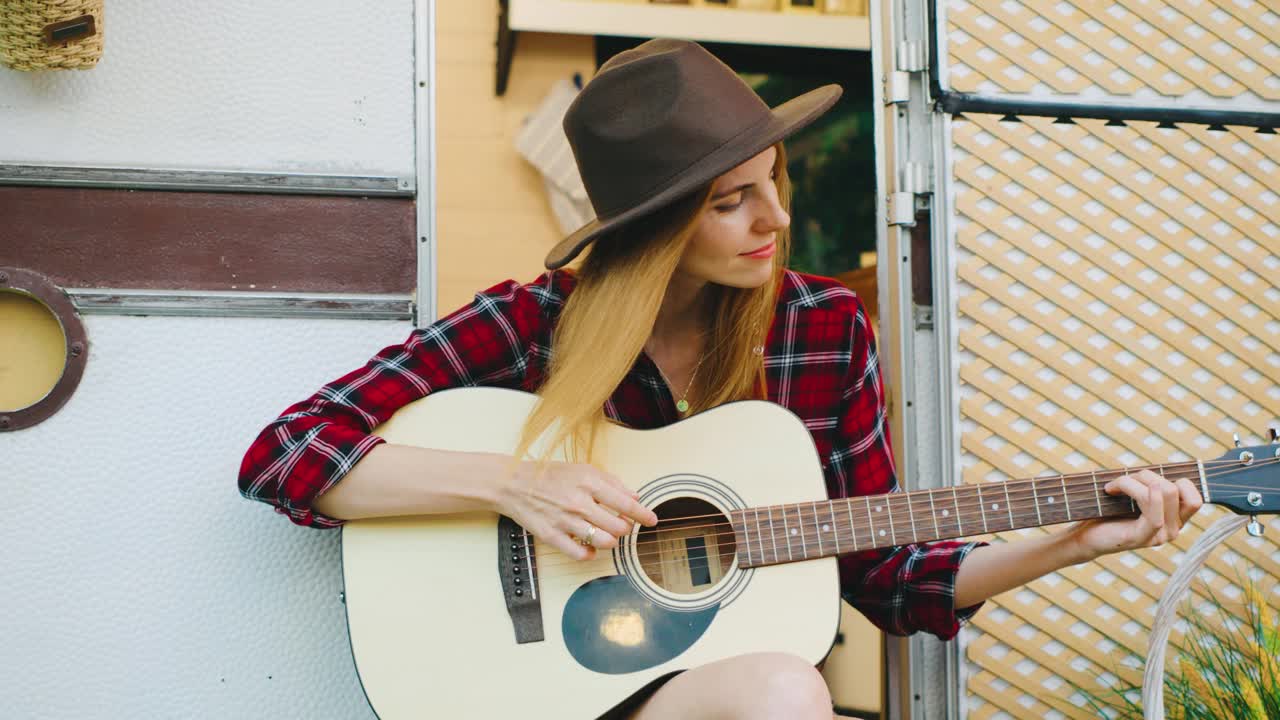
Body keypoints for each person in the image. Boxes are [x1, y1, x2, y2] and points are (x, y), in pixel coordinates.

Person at [238, 38, 1203, 720]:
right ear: (653, 225)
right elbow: (287, 455)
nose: (774, 220)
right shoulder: (534, 324)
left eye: (775, 181)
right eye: (732, 201)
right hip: (542, 695)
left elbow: (885, 571)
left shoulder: (822, 328)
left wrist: (1075, 542)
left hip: (710, 693)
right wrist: (518, 484)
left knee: (787, 688)